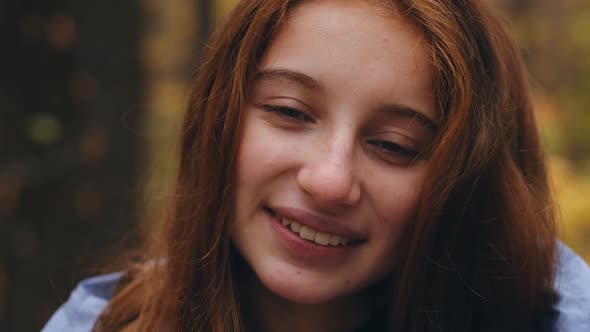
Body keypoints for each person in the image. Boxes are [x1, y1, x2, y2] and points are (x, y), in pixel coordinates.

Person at [43, 0, 590, 331]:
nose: (329, 180)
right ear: (218, 119)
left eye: (394, 146)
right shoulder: (100, 323)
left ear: (465, 184)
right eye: (288, 111)